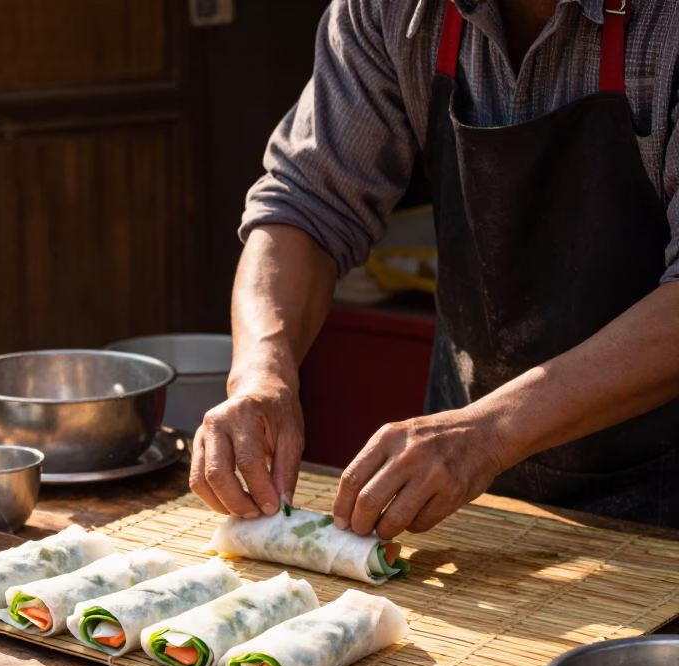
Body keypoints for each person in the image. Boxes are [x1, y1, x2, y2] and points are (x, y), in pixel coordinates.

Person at [192, 0, 679, 534]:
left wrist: (487, 433)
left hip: (660, 488)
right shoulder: (391, 10)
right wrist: (261, 374)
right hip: (465, 481)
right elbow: (308, 202)